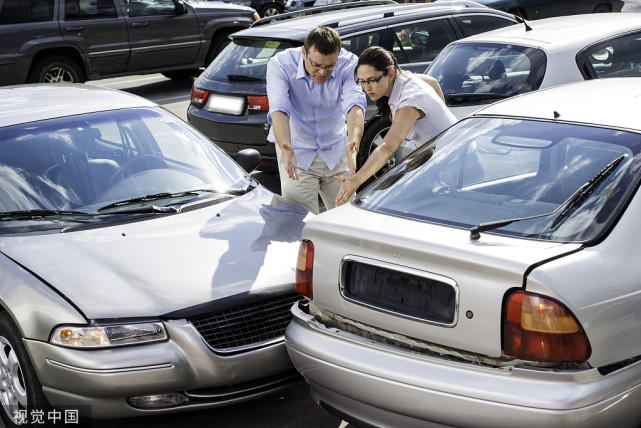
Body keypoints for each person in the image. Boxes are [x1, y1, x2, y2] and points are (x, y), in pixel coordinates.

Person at [334, 45, 456, 206]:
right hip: (437, 161)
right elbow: (433, 83)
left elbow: (387, 147)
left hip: (455, 168)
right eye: (362, 81)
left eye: (372, 80)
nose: (367, 87)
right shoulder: (403, 78)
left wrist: (355, 181)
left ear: (390, 74)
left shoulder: (410, 100)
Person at [266, 26, 367, 214]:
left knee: (346, 218)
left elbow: (355, 105)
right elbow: (279, 108)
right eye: (316, 65)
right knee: (301, 225)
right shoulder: (280, 64)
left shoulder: (349, 63)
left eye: (329, 66)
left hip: (336, 152)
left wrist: (353, 143)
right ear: (304, 52)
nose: (322, 72)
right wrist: (285, 146)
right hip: (296, 155)